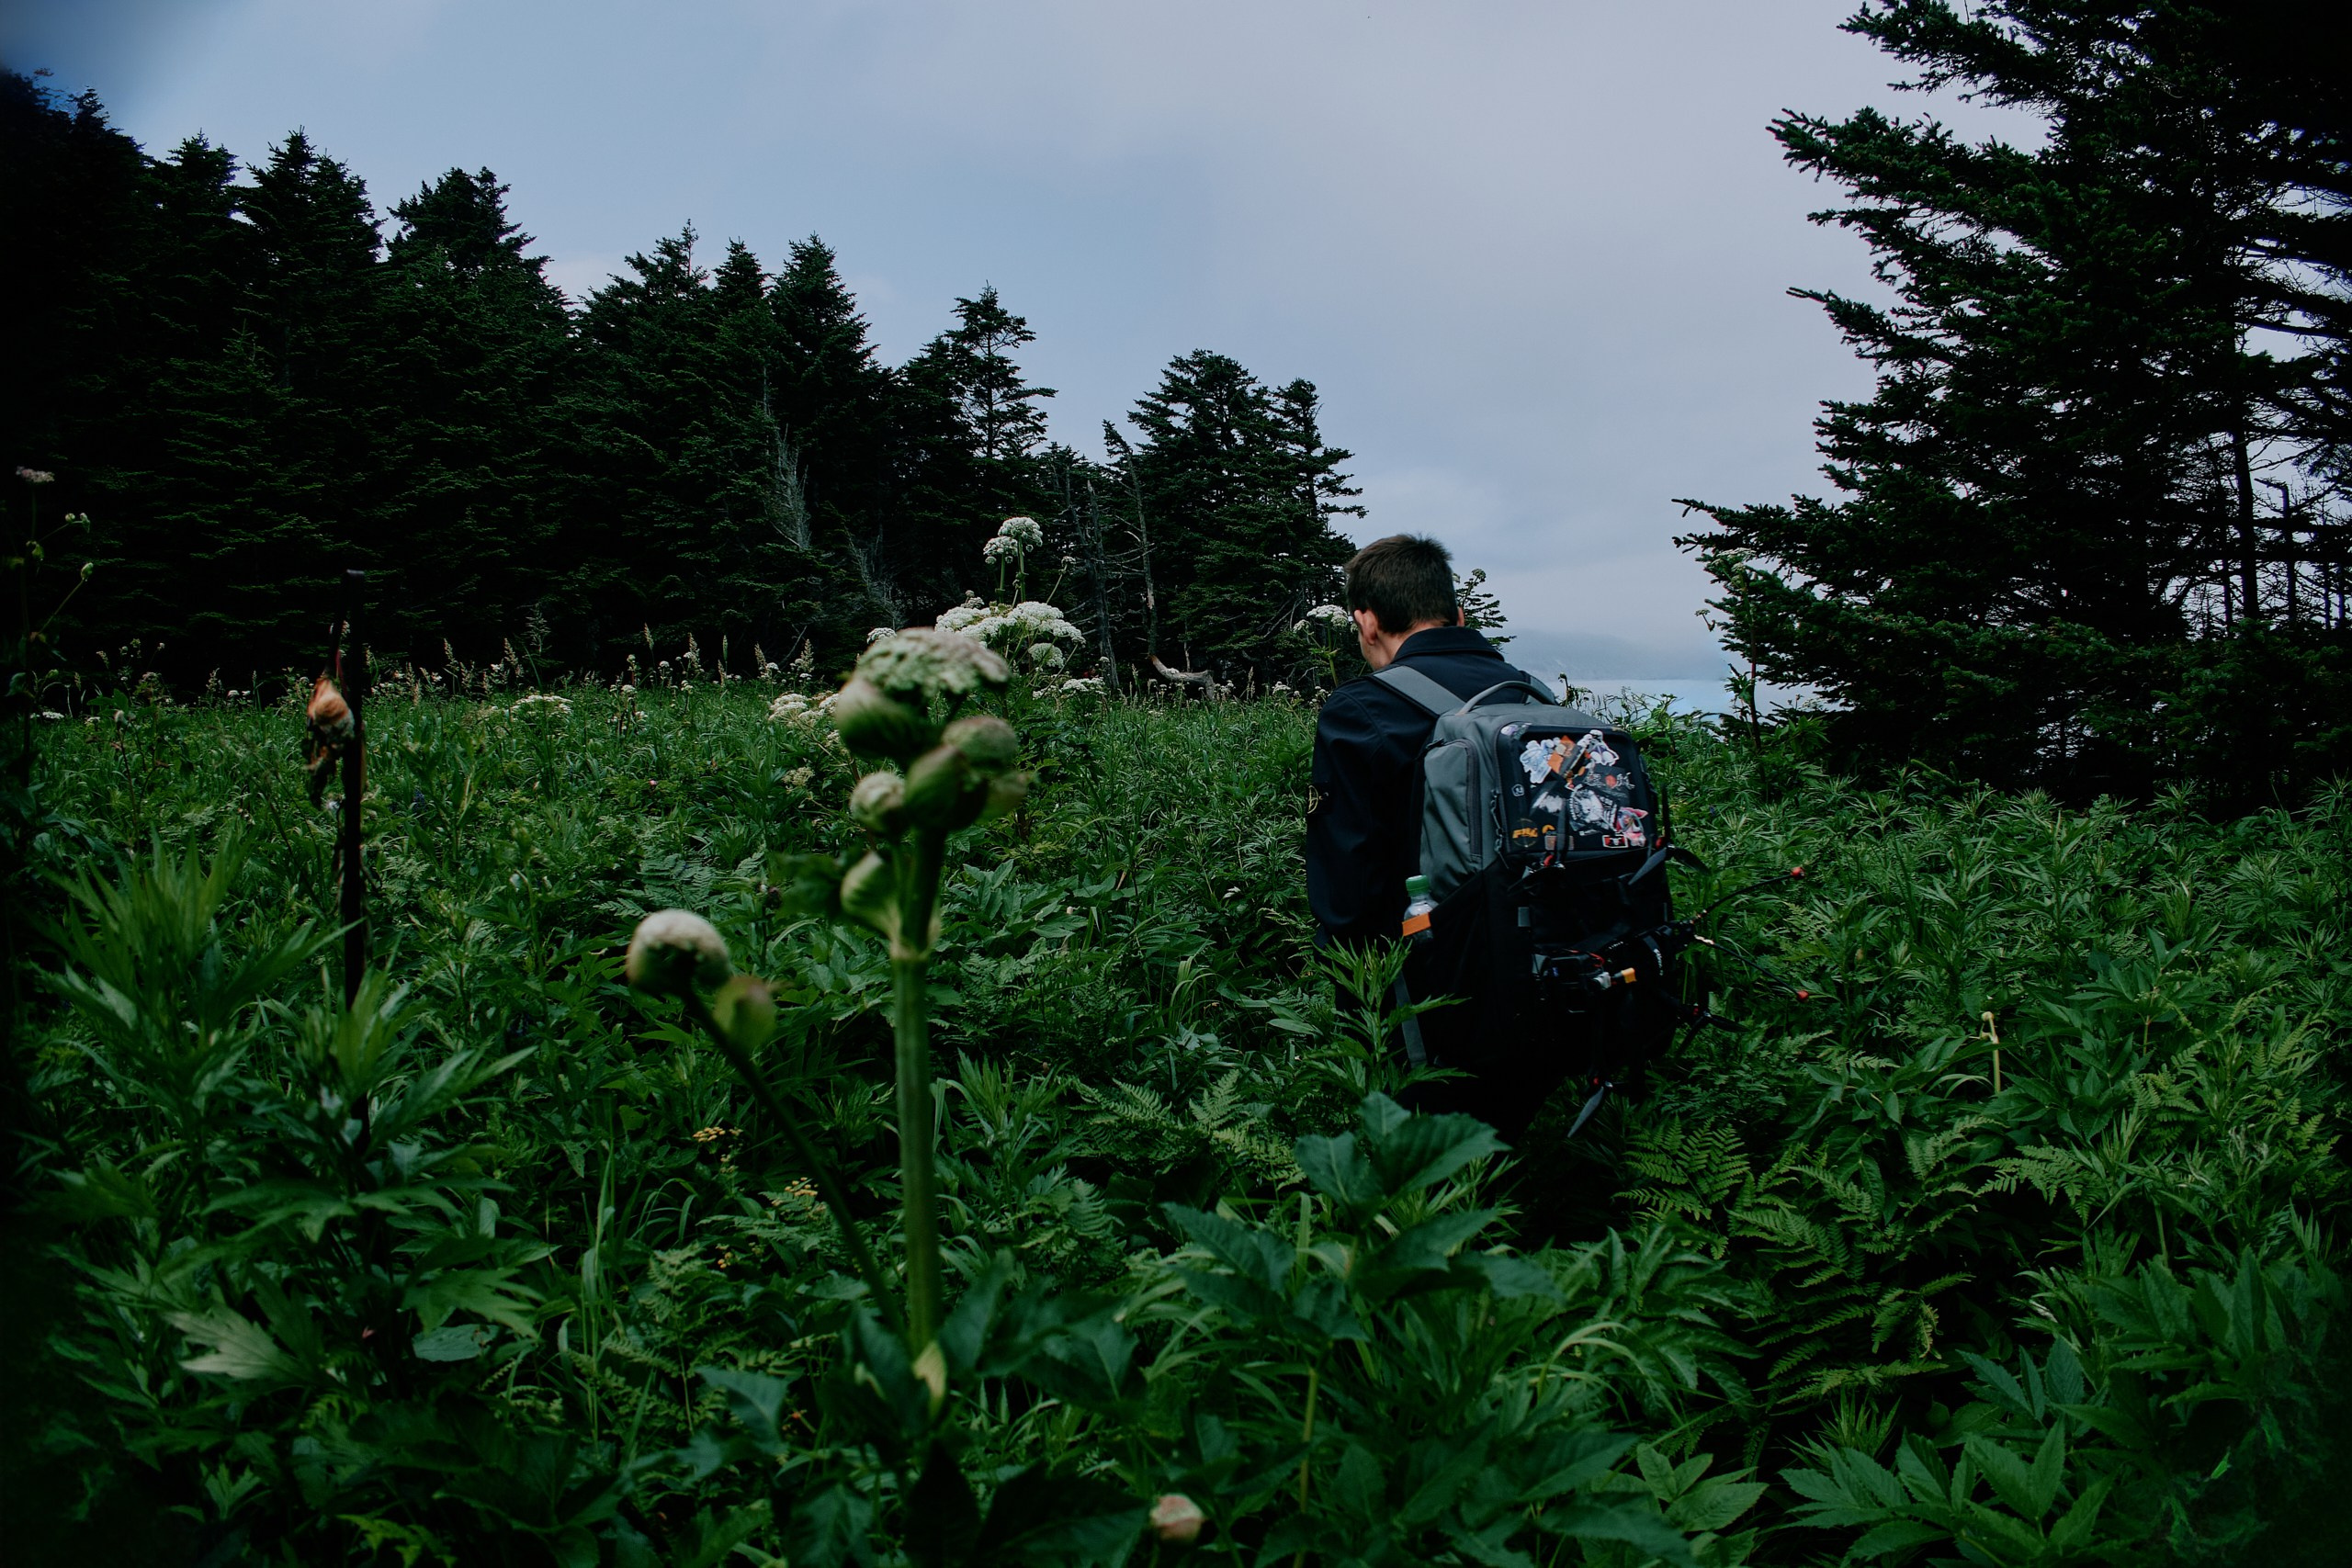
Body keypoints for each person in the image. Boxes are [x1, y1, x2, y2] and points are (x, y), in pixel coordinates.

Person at [1306, 534, 1556, 1134]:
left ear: (1366, 622)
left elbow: (1347, 896)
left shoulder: (1360, 710)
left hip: (1433, 1001)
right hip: (1551, 965)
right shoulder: (1532, 695)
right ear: (1459, 615)